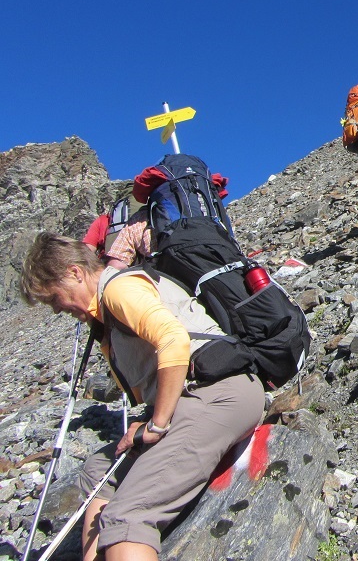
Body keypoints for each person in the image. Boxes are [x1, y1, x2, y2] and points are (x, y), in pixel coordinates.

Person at [20, 233, 265, 561]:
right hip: (197, 396)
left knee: (128, 516)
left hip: (219, 394)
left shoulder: (119, 288)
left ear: (75, 273)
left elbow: (173, 340)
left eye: (53, 298)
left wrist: (158, 424)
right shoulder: (108, 304)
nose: (56, 309)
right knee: (98, 472)